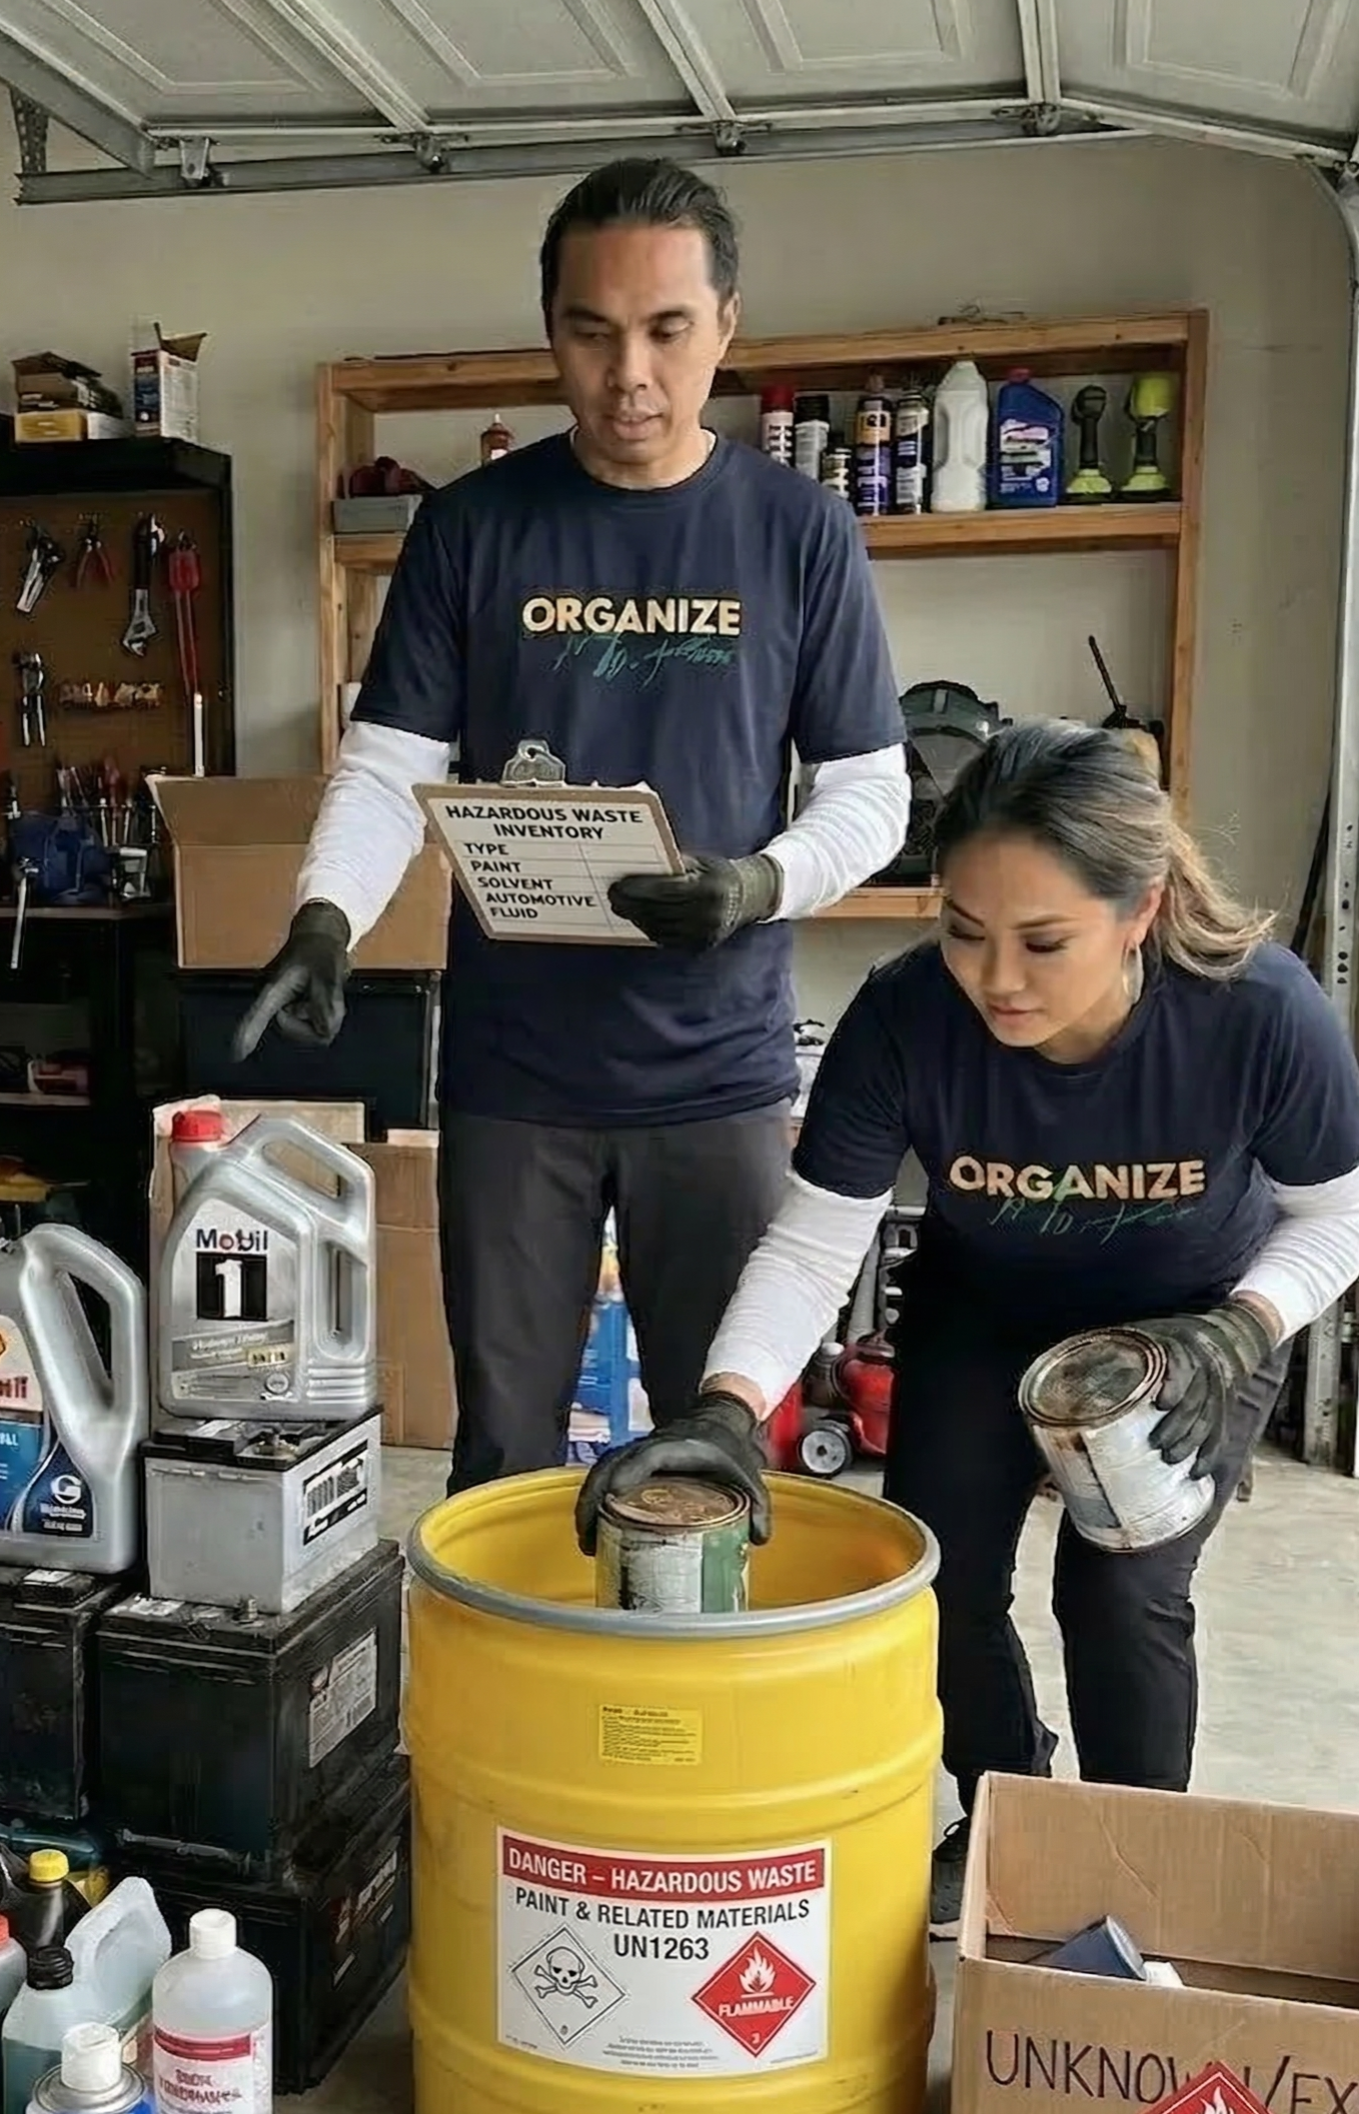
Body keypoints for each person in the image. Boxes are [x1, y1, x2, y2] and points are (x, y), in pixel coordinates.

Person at [577, 719, 1359, 1937]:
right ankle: (1004, 1819)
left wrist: (1239, 1332)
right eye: (961, 931)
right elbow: (813, 1240)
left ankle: (1133, 1869)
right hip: (981, 1310)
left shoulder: (1258, 1015)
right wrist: (725, 1406)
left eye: (1042, 942)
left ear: (1137, 910)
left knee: (1119, 1593)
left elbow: (1336, 1214)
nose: (996, 979)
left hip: (1184, 1332)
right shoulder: (901, 1022)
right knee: (938, 1578)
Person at [234, 157, 911, 1494]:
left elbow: (872, 791)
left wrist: (756, 883)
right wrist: (323, 917)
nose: (630, 377)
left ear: (723, 323)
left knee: (712, 1458)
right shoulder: (471, 527)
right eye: (590, 333)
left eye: (666, 331)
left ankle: (691, 1705)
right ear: (549, 329)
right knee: (499, 1452)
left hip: (713, 1077)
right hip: (511, 1080)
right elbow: (384, 770)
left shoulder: (795, 531)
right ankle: (513, 1707)